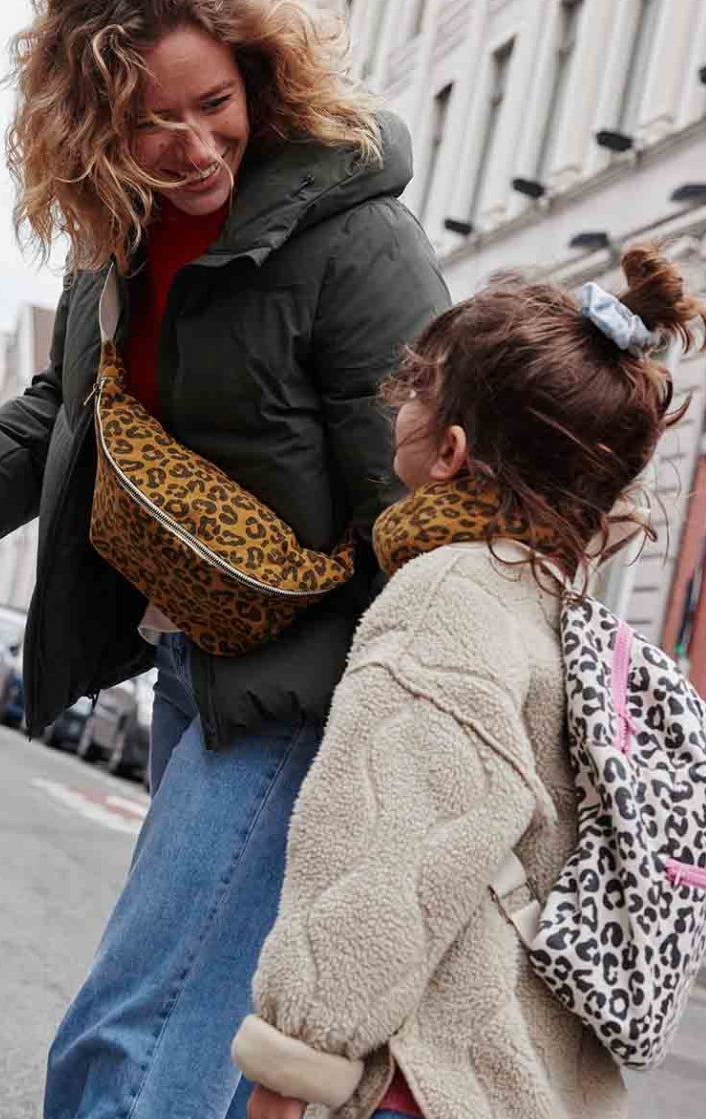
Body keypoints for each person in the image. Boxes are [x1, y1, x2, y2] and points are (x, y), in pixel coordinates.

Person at [0, 1, 450, 1116]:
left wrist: (406, 729)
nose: (193, 145)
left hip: (307, 684)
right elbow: (61, 415)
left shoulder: (355, 238)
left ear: (259, 80)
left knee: (136, 1023)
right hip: (195, 658)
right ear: (90, 126)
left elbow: (417, 496)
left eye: (214, 105)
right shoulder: (115, 239)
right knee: (208, 1024)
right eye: (151, 120)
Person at [231, 244, 706, 1119]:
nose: (395, 402)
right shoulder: (556, 614)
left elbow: (387, 855)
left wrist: (294, 1060)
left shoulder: (447, 594)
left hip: (418, 1084)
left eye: (416, 386)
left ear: (449, 449)